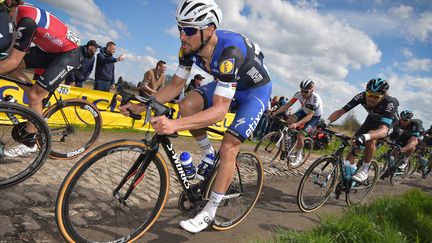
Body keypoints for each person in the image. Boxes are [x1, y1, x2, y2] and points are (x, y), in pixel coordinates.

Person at [119, 0, 272, 233]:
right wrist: (144, 105)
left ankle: (210, 211)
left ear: (209, 30)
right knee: (186, 104)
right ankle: (207, 153)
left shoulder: (229, 52)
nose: (182, 35)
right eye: (180, 27)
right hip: (228, 84)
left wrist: (174, 125)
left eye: (189, 30)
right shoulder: (189, 49)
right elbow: (174, 86)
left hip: (254, 92)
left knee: (229, 147)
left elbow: (220, 110)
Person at [0, 0, 81, 157]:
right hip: (50, 51)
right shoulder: (22, 12)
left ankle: (30, 142)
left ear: (10, 5)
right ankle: (34, 102)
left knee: (33, 94)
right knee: (12, 70)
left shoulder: (26, 20)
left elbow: (12, 61)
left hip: (68, 54)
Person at [324, 78, 399, 182]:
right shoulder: (361, 96)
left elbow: (383, 129)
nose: (371, 99)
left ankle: (364, 169)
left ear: (382, 97)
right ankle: (349, 177)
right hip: (371, 120)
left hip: (388, 125)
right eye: (369, 94)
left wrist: (366, 136)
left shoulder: (390, 102)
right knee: (354, 146)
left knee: (370, 137)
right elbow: (341, 111)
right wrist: (325, 122)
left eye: (375, 97)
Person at [271, 79, 323, 165]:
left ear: (311, 91)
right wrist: (275, 112)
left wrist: (296, 124)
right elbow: (287, 105)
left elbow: (309, 116)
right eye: (302, 91)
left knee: (300, 136)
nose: (303, 93)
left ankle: (299, 155)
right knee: (289, 121)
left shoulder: (315, 99)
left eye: (306, 92)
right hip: (303, 111)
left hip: (314, 116)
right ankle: (289, 140)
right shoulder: (298, 94)